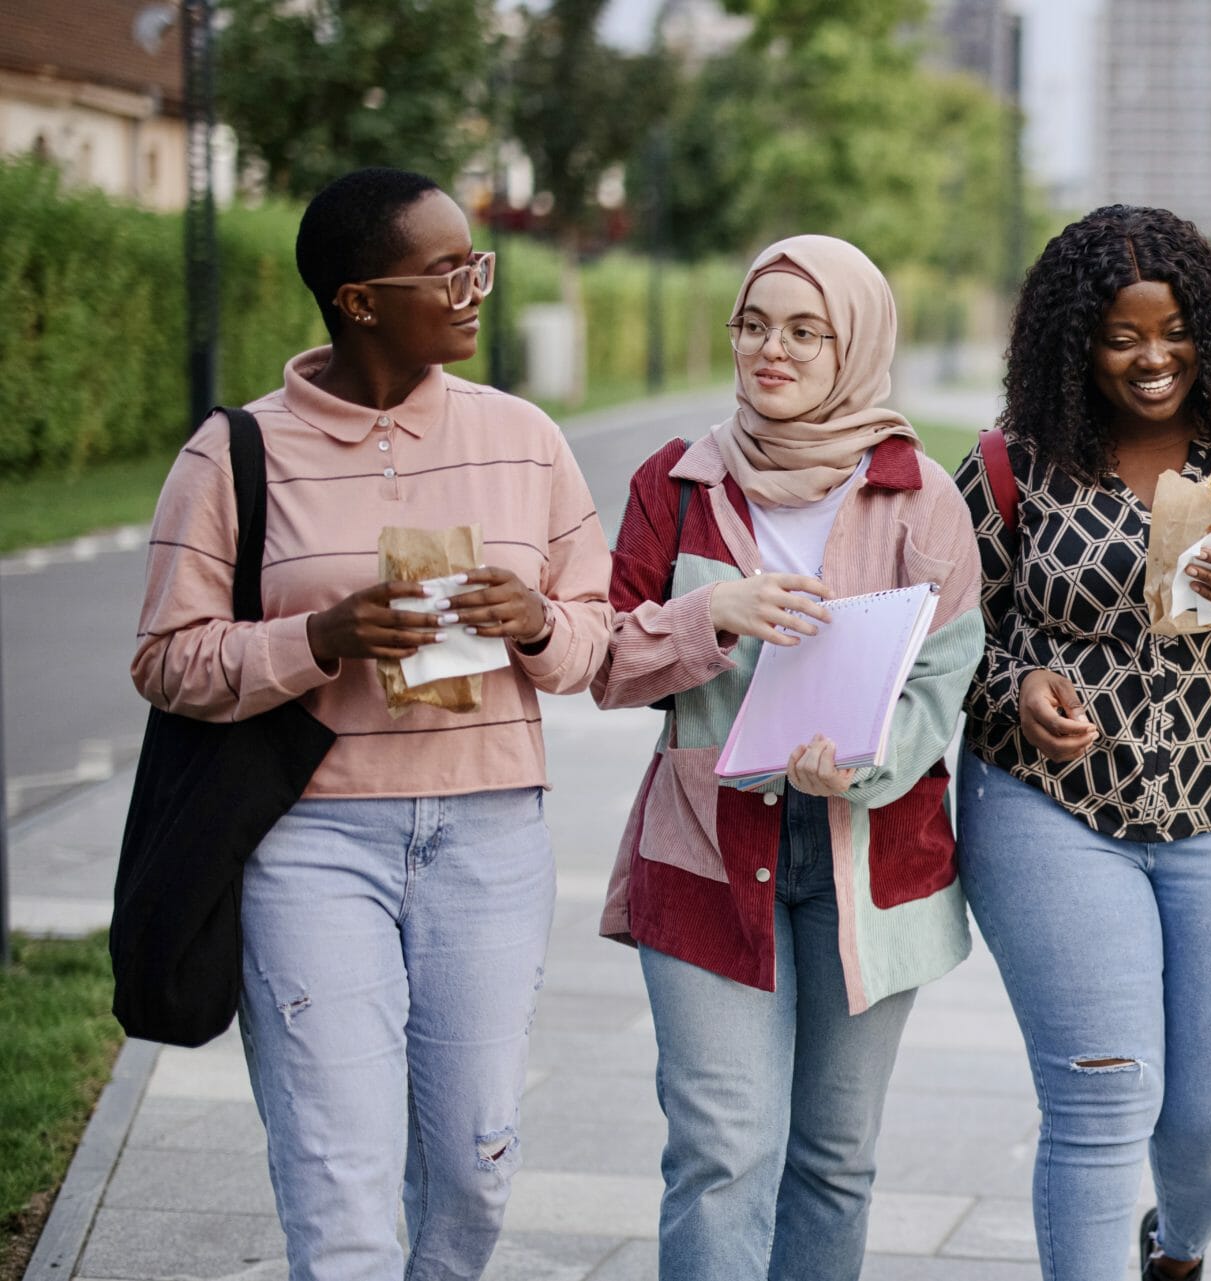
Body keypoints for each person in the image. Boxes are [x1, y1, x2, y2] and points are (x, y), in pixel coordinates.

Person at [132, 167, 613, 1278]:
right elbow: (165, 661)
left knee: (474, 1172)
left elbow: (597, 641)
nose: (475, 286)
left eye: (475, 262)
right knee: (339, 1182)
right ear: (358, 300)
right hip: (311, 842)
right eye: (448, 269)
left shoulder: (527, 439)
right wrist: (320, 638)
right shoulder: (231, 455)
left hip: (490, 840)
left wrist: (537, 621)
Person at [952, 205, 1211, 1281]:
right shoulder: (1006, 470)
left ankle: (1177, 1253)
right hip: (1048, 815)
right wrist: (1016, 685)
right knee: (1102, 1090)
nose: (1151, 358)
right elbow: (936, 652)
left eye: (1174, 330)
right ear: (1075, 340)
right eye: (1122, 334)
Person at [591, 234, 984, 1281]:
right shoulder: (675, 484)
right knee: (721, 1151)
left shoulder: (920, 498)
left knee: (834, 1159)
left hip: (870, 858)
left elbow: (942, 684)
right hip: (708, 852)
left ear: (854, 344)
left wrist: (865, 763)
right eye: (755, 324)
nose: (775, 349)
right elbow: (607, 663)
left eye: (808, 331)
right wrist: (709, 612)